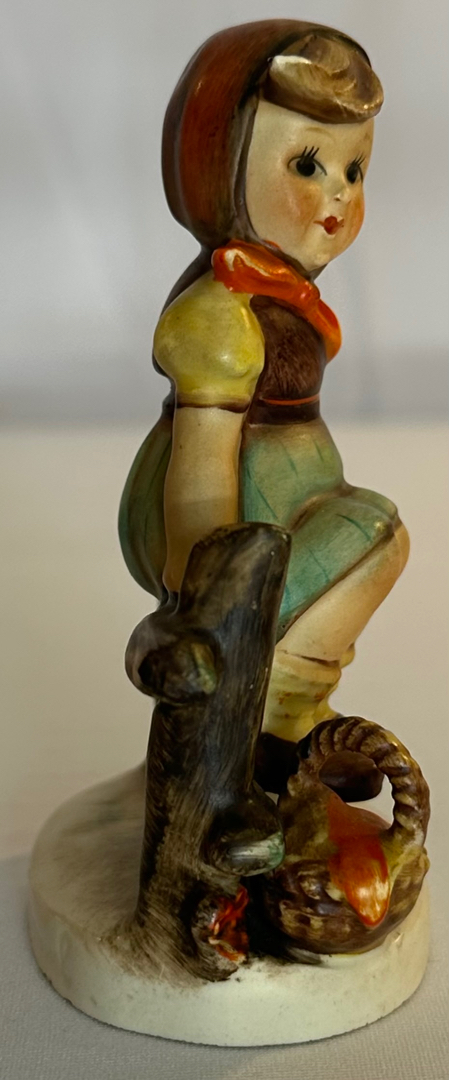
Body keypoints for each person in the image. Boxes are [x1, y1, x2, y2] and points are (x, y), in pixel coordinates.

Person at [119, 20, 409, 745]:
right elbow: (203, 456)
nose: (338, 194)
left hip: (274, 515)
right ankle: (277, 718)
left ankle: (291, 712)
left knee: (367, 544)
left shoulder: (281, 298)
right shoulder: (221, 311)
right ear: (219, 170)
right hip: (228, 530)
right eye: (307, 164)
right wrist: (206, 590)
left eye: (354, 171)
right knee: (376, 537)